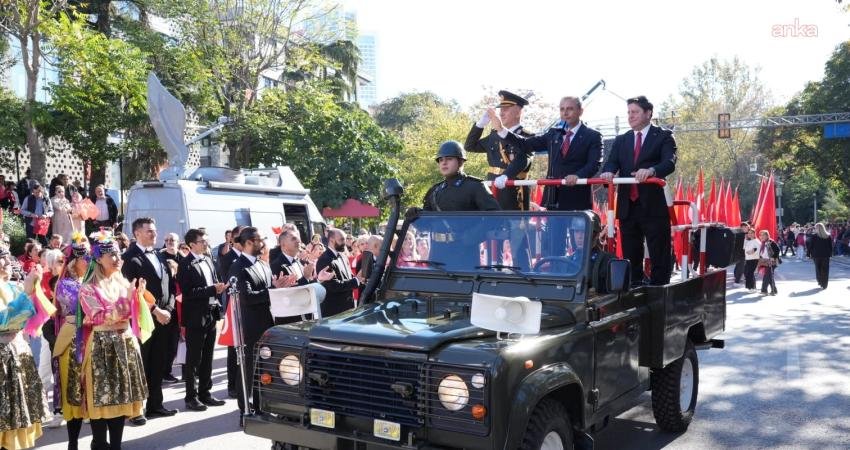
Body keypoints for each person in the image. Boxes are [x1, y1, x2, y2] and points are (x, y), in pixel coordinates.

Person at [78, 231, 148, 450]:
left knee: (121, 398)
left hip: (125, 343)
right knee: (103, 397)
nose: (118, 259)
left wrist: (137, 299)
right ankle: (99, 443)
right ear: (99, 258)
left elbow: (132, 314)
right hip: (102, 345)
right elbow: (99, 315)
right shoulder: (88, 287)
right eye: (112, 255)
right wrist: (127, 300)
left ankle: (116, 445)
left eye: (118, 254)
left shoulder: (122, 282)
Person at [599, 96, 677, 286]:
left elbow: (669, 162)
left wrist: (651, 171)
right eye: (628, 112)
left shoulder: (663, 136)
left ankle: (659, 290)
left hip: (653, 205)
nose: (630, 116)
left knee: (659, 252)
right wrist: (607, 172)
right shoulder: (622, 140)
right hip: (628, 206)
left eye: (634, 112)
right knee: (630, 253)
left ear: (648, 113)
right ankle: (634, 288)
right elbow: (611, 162)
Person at [492, 96, 603, 211]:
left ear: (580, 111)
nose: (565, 113)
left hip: (577, 198)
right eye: (562, 109)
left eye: (570, 109)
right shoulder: (554, 133)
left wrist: (578, 175)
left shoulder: (593, 136)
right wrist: (502, 130)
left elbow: (594, 164)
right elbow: (526, 144)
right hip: (552, 198)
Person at [121, 218, 179, 425]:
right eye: (149, 231)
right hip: (143, 319)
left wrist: (169, 309)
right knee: (141, 363)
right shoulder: (128, 258)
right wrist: (156, 311)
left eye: (154, 231)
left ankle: (156, 404)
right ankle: (138, 409)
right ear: (137, 233)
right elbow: (133, 291)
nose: (154, 234)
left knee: (158, 363)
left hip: (164, 318)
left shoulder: (159, 255)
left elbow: (171, 286)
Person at [230, 227, 291, 422]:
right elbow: (247, 298)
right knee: (248, 370)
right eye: (258, 240)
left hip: (266, 323)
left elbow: (268, 292)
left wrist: (277, 288)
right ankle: (244, 410)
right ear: (248, 242)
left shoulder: (263, 265)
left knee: (263, 367)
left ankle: (260, 405)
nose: (262, 244)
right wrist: (273, 291)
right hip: (249, 326)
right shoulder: (238, 266)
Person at [176, 229, 228, 412]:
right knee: (194, 358)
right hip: (195, 316)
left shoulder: (208, 259)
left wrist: (219, 289)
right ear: (191, 245)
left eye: (206, 240)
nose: (206, 244)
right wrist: (211, 289)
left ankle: (206, 392)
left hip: (211, 313)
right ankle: (191, 396)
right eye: (202, 241)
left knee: (208, 356)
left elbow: (214, 283)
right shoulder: (185, 264)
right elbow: (188, 293)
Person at [0, 250, 47, 450]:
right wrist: (27, 293)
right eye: (0, 264)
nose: (4, 266)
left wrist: (35, 290)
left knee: (16, 414)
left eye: (7, 263)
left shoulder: (13, 286)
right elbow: (3, 321)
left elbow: (33, 317)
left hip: (18, 351)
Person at [464, 90, 535, 210]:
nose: (501, 113)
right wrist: (480, 125)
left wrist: (506, 176)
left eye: (506, 109)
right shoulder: (494, 135)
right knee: (493, 226)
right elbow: (470, 146)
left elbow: (523, 159)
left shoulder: (528, 136)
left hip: (514, 191)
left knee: (516, 227)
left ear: (518, 112)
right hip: (492, 189)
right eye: (500, 109)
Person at [51, 234, 90, 449]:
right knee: (74, 390)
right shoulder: (65, 284)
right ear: (75, 262)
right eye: (86, 259)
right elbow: (80, 308)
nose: (90, 262)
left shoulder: (89, 281)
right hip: (73, 341)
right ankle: (73, 442)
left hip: (90, 338)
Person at [269, 228, 334, 323]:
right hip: (290, 320)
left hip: (306, 317)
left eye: (298, 238)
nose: (299, 241)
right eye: (294, 239)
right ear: (283, 245)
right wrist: (305, 277)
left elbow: (307, 286)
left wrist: (319, 279)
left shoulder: (301, 262)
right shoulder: (276, 265)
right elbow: (287, 293)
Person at [422, 141, 501, 212]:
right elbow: (427, 223)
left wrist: (472, 229)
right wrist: (416, 215)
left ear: (460, 162)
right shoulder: (434, 191)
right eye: (441, 160)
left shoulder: (476, 187)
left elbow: (495, 217)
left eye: (449, 159)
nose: (444, 163)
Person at [316, 228, 363, 317]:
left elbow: (348, 277)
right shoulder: (325, 259)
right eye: (341, 239)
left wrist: (360, 279)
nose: (344, 243)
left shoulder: (342, 256)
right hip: (334, 312)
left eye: (345, 239)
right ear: (331, 240)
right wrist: (356, 281)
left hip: (347, 308)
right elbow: (333, 286)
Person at [809, 222, 833, 289]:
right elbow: (830, 246)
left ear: (817, 228)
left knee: (818, 269)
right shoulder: (828, 236)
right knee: (825, 270)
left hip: (816, 255)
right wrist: (831, 254)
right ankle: (824, 284)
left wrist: (808, 254)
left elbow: (811, 246)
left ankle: (820, 281)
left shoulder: (814, 236)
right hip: (826, 255)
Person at [757, 230, 781, 296]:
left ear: (767, 235)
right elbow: (762, 253)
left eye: (763, 235)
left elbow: (777, 250)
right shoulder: (762, 243)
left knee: (766, 276)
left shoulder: (771, 242)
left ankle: (764, 290)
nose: (761, 236)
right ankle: (774, 290)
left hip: (771, 262)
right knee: (770, 276)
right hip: (765, 261)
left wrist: (773, 257)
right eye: (760, 235)